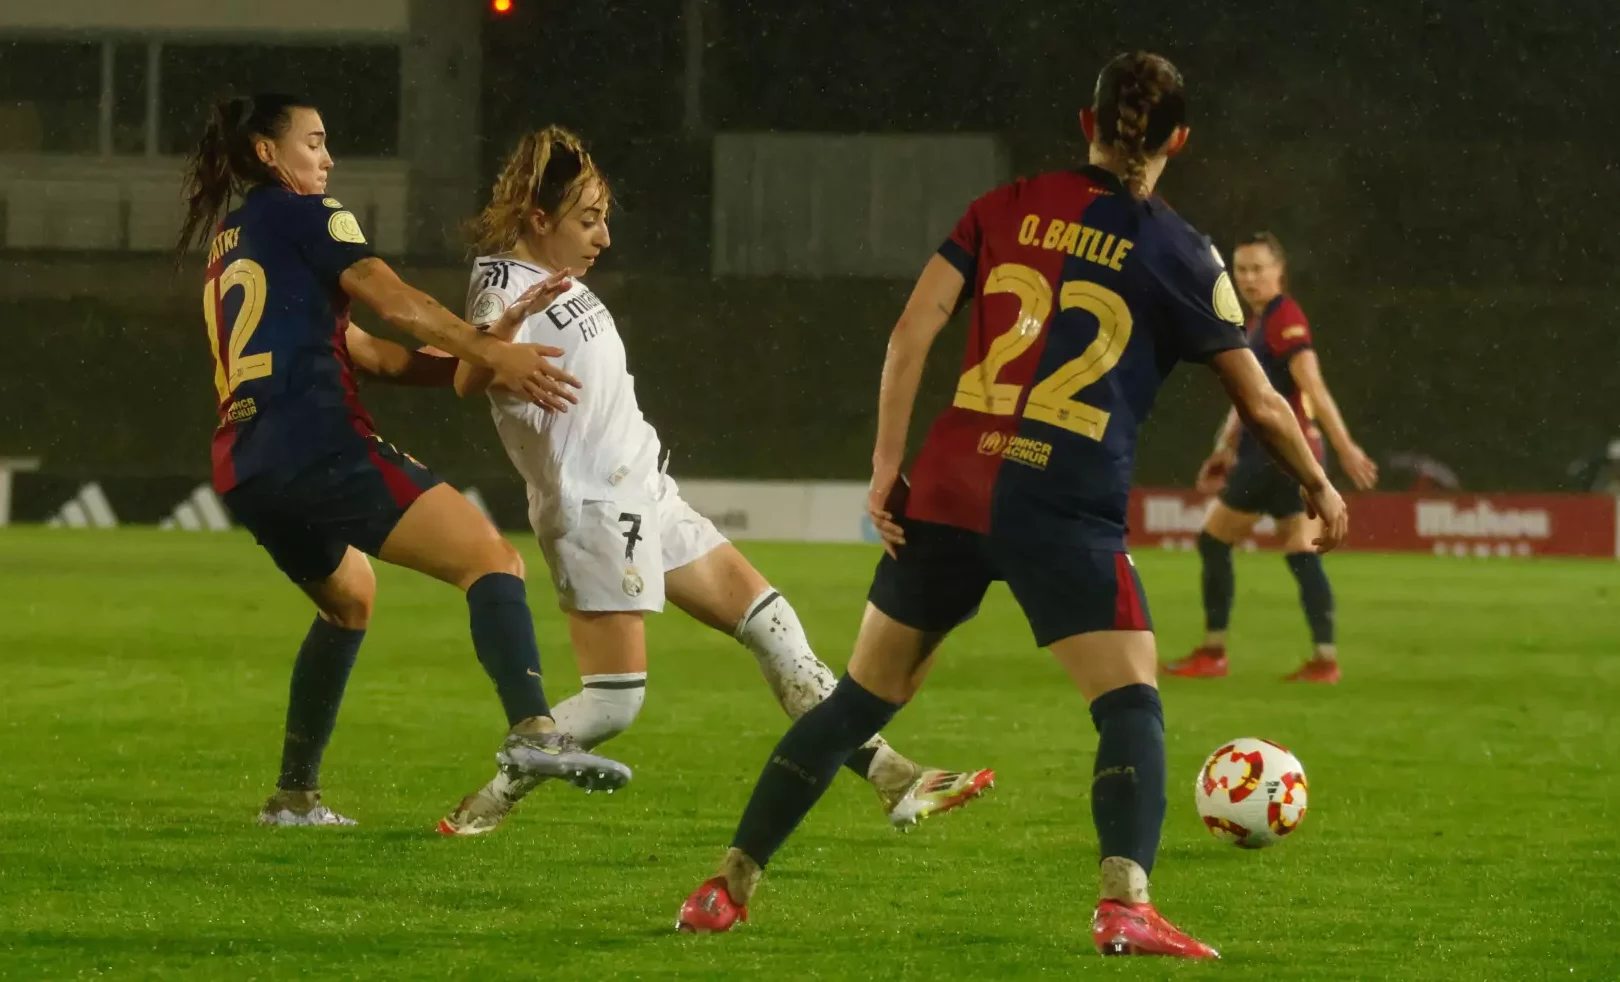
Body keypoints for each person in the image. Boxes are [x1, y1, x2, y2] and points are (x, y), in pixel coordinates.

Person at [674, 53, 1348, 959]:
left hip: (950, 486)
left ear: (1087, 122)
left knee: (861, 701)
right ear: (1179, 140)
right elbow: (1261, 401)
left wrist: (885, 466)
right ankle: (1125, 907)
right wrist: (1317, 481)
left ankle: (724, 887)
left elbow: (912, 330)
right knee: (1130, 703)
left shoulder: (1005, 207)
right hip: (1063, 501)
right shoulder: (1182, 251)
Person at [436, 126, 993, 836]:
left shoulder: (562, 281)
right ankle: (486, 804)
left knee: (774, 626)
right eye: (587, 220)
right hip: (596, 508)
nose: (604, 237)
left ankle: (895, 779)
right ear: (538, 220)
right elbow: (468, 371)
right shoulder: (501, 284)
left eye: (604, 217)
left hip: (647, 493)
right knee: (613, 702)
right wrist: (497, 340)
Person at [176, 93, 632, 827]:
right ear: (268, 154)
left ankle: (294, 797)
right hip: (316, 442)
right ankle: (534, 733)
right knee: (491, 561)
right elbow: (391, 299)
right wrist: (484, 347)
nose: (327, 159)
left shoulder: (234, 238)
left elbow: (369, 353)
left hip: (247, 464)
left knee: (350, 600)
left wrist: (479, 356)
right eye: (315, 143)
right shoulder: (311, 217)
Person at [1164, 232, 1378, 684]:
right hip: (1285, 456)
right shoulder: (1258, 322)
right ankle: (1324, 659)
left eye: (1258, 268)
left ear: (1280, 270)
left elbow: (1311, 386)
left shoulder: (1284, 319)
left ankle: (1213, 651)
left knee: (1214, 540)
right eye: (1241, 270)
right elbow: (1249, 396)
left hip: (1275, 455)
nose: (1249, 278)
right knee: (1302, 552)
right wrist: (1224, 446)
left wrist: (1346, 447)